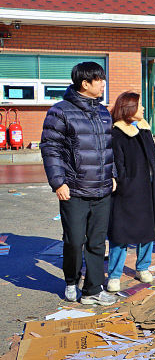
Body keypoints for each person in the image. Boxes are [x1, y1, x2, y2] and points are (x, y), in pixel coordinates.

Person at [40, 62, 118, 306]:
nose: (103, 84)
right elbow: (50, 148)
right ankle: (72, 280)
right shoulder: (60, 111)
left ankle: (93, 289)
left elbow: (108, 148)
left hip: (102, 187)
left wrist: (112, 174)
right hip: (73, 189)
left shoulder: (103, 111)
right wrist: (58, 182)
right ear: (85, 84)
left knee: (96, 242)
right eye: (99, 80)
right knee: (74, 240)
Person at [106, 92, 155, 292]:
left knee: (147, 231)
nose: (142, 109)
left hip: (149, 189)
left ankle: (143, 267)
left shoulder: (144, 129)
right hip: (127, 190)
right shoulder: (117, 133)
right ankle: (114, 275)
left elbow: (153, 156)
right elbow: (116, 163)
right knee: (120, 233)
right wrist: (122, 182)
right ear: (128, 108)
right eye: (139, 105)